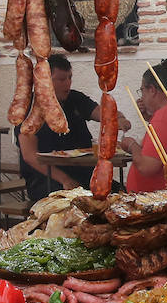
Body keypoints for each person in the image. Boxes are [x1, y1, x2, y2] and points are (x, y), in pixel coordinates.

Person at [14, 54, 128, 203]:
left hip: (85, 173)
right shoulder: (29, 110)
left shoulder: (75, 99)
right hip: (48, 178)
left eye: (70, 78)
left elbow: (105, 114)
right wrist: (65, 179)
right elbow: (30, 156)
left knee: (121, 195)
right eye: (61, 79)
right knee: (75, 203)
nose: (67, 83)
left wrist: (118, 119)